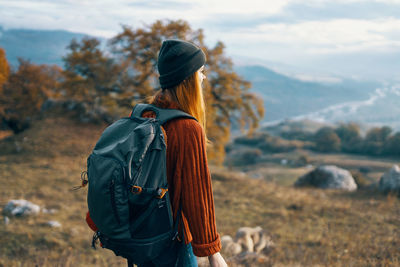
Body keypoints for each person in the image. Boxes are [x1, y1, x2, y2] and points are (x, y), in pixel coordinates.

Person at [86, 39, 228, 267]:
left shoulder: (146, 113)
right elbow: (197, 194)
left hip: (142, 234)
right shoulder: (187, 128)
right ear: (187, 78)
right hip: (172, 242)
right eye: (201, 71)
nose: (204, 77)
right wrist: (212, 252)